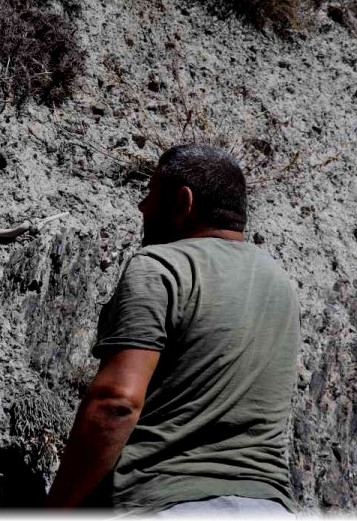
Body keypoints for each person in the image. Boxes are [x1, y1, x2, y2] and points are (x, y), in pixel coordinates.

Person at [44, 144, 300, 515]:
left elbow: (117, 403)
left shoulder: (161, 267)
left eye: (151, 193)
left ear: (183, 201)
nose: (142, 206)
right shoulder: (281, 285)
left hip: (168, 502)